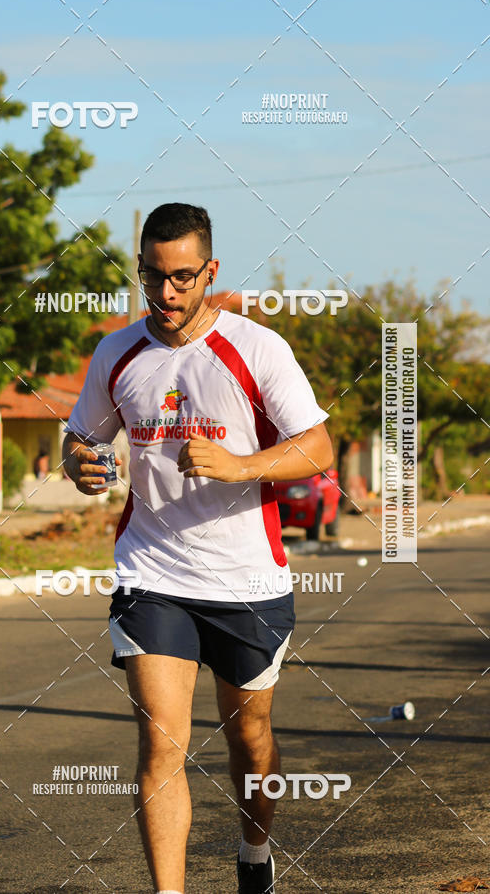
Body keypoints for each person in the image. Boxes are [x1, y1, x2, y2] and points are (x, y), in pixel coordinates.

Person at [62, 203, 333, 894]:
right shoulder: (117, 353)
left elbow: (317, 447)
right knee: (161, 742)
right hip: (153, 572)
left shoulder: (257, 349)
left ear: (210, 271)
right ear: (141, 270)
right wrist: (79, 464)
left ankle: (254, 852)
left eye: (183, 277)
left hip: (247, 579)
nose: (168, 292)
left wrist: (242, 466)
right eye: (154, 276)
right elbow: (81, 439)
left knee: (251, 738)